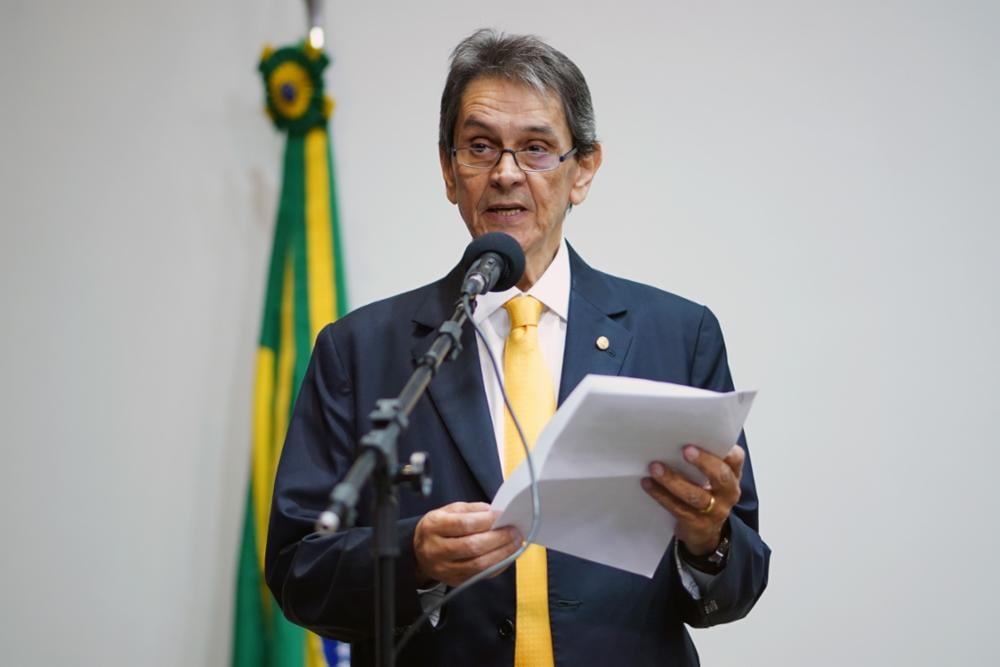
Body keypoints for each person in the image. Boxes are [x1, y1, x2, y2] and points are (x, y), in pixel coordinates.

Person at [266, 28, 770, 667]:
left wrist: (710, 538)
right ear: (450, 172)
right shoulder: (360, 349)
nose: (505, 173)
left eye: (535, 148)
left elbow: (741, 580)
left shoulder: (678, 335)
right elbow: (296, 570)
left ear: (582, 170)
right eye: (480, 147)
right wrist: (412, 555)